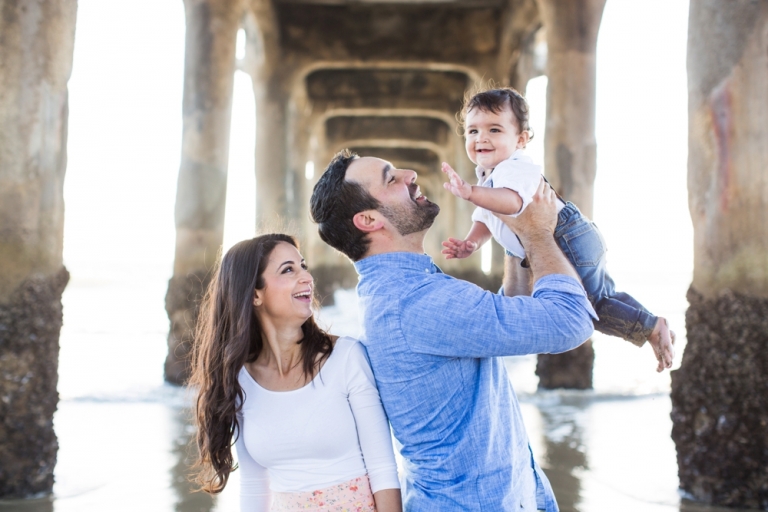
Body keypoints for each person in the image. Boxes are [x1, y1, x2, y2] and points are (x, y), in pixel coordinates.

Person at [310, 150, 596, 511]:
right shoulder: (415, 302)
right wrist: (538, 233)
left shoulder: (406, 292)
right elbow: (570, 320)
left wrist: (512, 236)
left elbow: (505, 317)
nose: (410, 173)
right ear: (368, 219)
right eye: (390, 178)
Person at [441, 87, 675, 372]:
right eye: (473, 131)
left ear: (521, 139)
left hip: (565, 238)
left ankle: (649, 328)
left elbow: (511, 202)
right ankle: (650, 322)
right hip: (574, 238)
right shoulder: (489, 176)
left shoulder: (515, 168)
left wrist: (470, 192)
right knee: (602, 294)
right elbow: (486, 218)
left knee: (589, 305)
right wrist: (471, 243)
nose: (482, 138)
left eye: (494, 129)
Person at [188, 234, 402, 512]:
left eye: (304, 266)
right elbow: (254, 486)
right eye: (289, 270)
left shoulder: (346, 357)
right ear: (255, 294)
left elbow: (383, 469)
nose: (307, 277)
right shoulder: (241, 379)